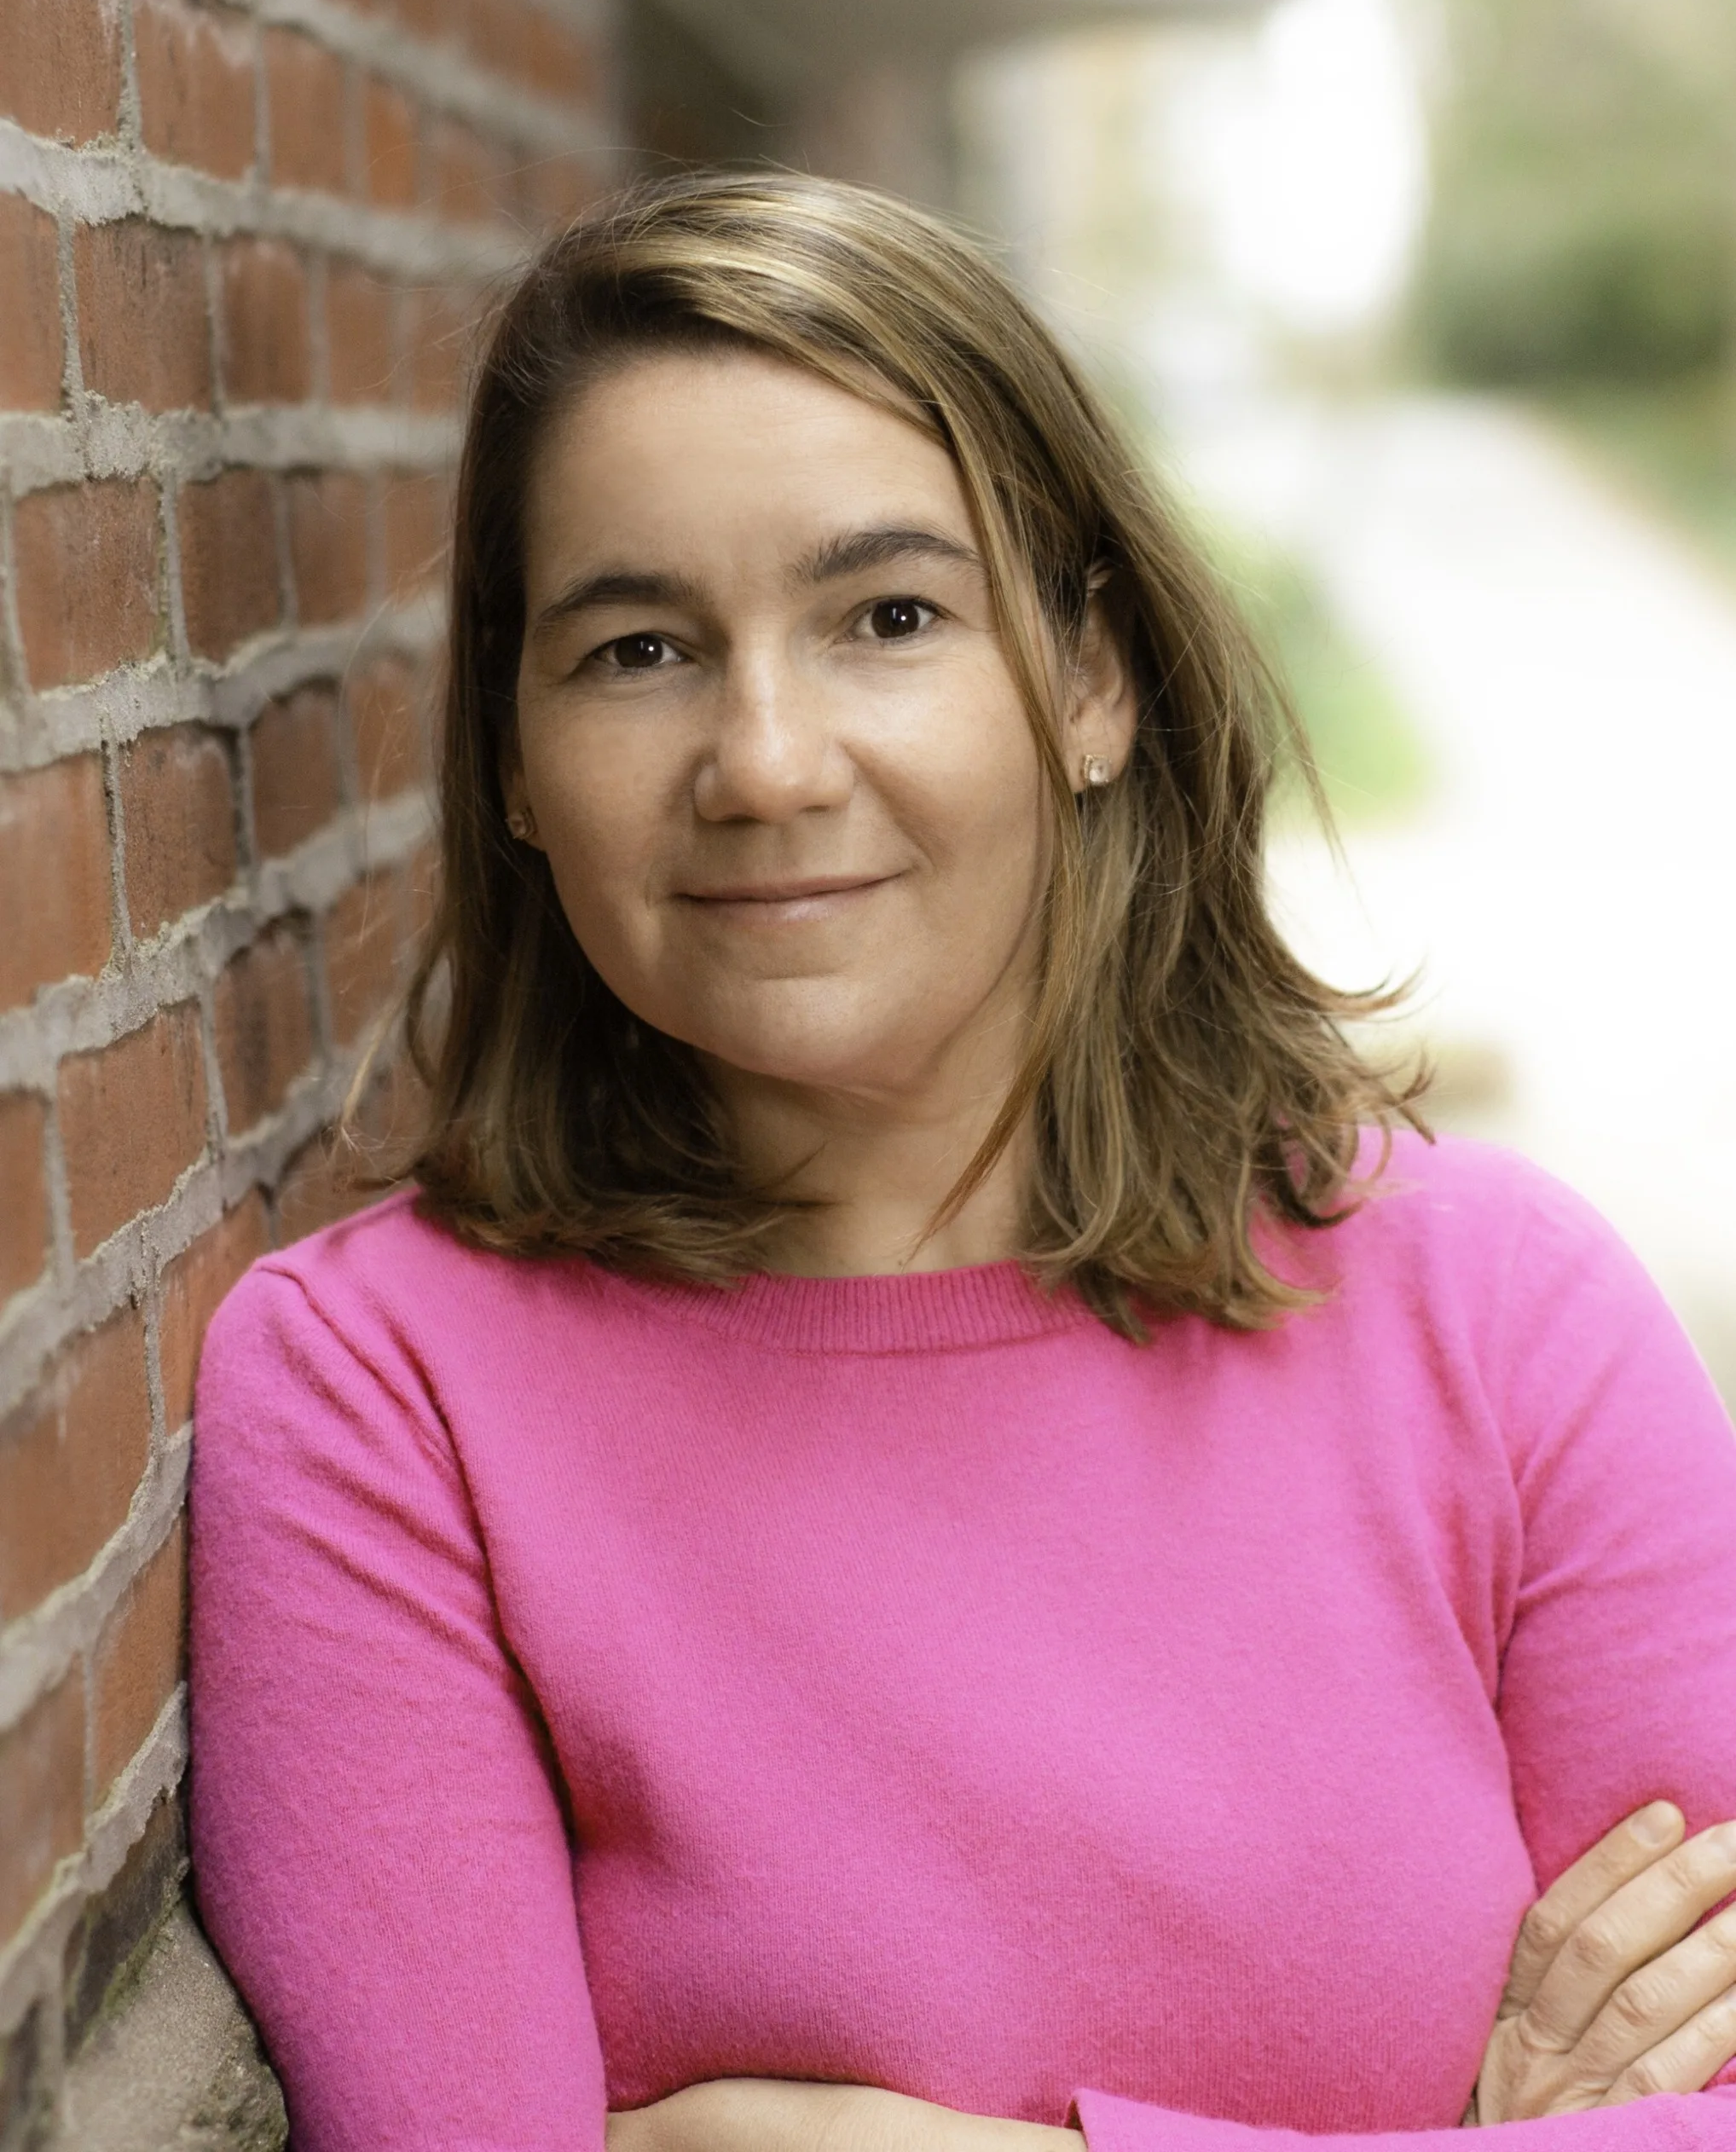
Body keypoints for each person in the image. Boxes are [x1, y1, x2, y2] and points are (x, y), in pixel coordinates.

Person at [188, 173, 1736, 2152]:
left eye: (887, 616)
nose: (762, 757)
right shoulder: (381, 1394)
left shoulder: (1498, 1311)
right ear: (510, 756)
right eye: (637, 649)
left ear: (1091, 685)